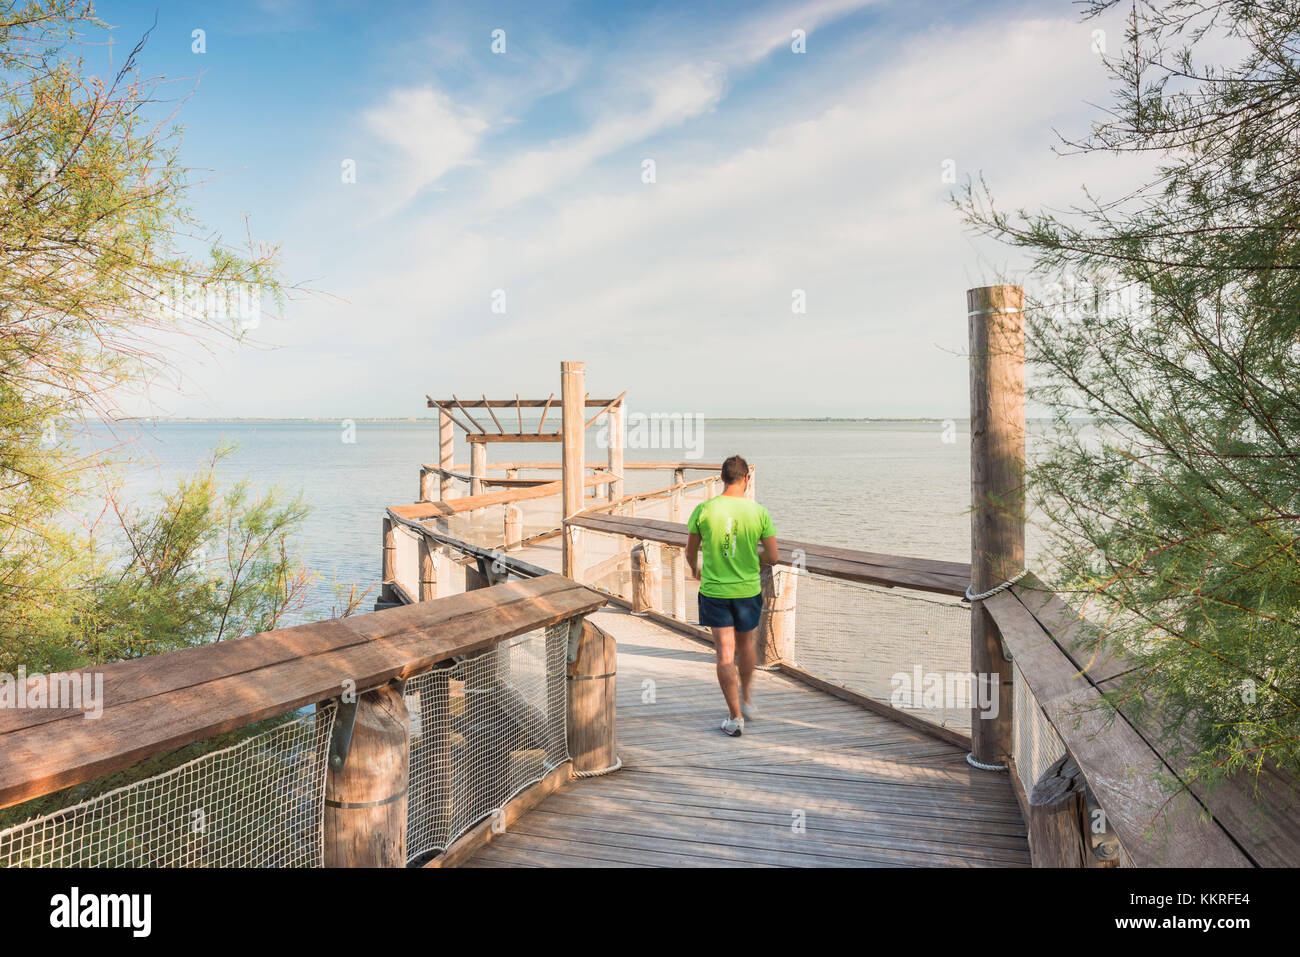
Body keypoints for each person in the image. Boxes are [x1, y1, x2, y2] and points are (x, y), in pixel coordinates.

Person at [685, 455, 779, 737]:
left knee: (725, 655)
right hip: (747, 591)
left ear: (722, 478)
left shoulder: (703, 510)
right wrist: (751, 556)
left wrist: (695, 568)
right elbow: (773, 556)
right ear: (746, 479)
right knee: (746, 645)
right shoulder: (759, 512)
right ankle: (747, 699)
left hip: (715, 591)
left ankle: (734, 716)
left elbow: (690, 552)